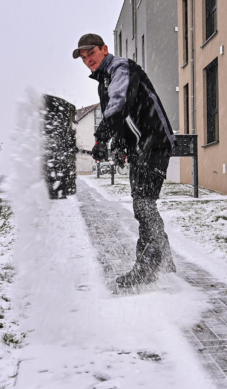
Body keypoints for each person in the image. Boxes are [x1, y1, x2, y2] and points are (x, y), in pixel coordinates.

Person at [73, 33, 176, 288]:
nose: (87, 60)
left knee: (143, 206)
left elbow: (119, 106)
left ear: (104, 49)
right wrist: (118, 145)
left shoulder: (121, 68)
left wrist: (99, 139)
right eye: (83, 57)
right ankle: (164, 264)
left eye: (91, 54)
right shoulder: (104, 80)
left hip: (154, 144)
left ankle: (147, 269)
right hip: (142, 148)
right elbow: (123, 121)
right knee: (144, 205)